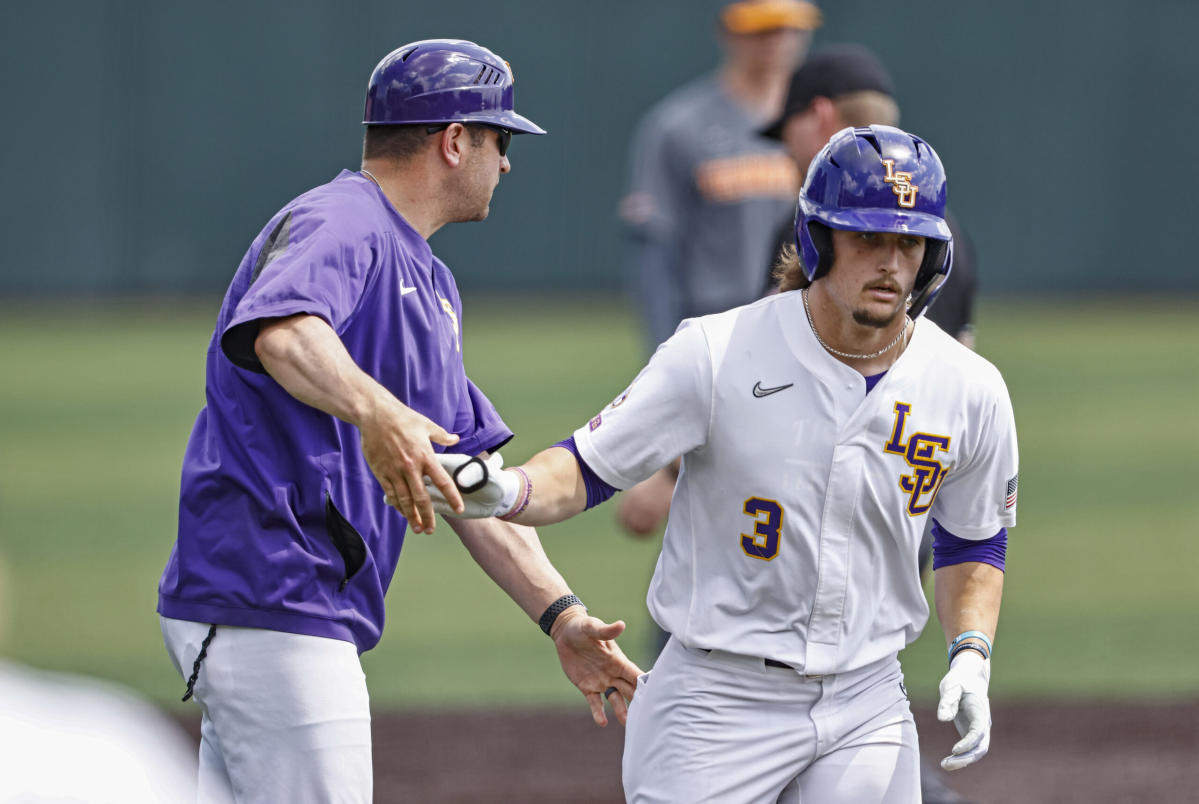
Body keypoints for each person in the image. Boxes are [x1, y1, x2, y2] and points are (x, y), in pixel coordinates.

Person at [426, 125, 1018, 802]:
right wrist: (505, 490)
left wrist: (970, 654)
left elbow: (973, 539)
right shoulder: (716, 352)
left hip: (866, 697)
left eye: (907, 243)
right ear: (820, 240)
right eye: (867, 238)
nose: (889, 262)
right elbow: (586, 467)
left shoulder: (968, 387)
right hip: (715, 699)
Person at [156, 39, 640, 803]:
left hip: (288, 612)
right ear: (454, 141)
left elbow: (468, 482)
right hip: (271, 597)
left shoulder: (426, 278)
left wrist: (561, 615)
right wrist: (377, 410)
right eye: (499, 138)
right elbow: (282, 330)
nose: (507, 163)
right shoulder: (343, 219)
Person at [620, 0, 820, 352]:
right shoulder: (679, 125)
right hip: (713, 323)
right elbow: (656, 251)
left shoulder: (820, 126)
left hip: (807, 322)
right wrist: (664, 349)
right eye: (763, 30)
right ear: (728, 31)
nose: (777, 41)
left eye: (789, 28)